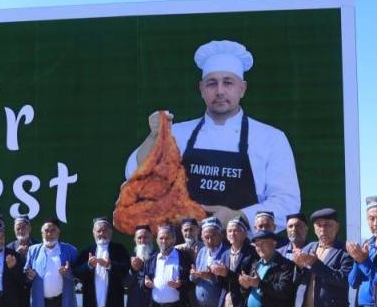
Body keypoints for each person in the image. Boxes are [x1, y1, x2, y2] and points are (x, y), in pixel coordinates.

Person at [124, 40, 300, 226]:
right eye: (212, 83)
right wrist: (154, 137)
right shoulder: (177, 133)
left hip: (245, 242)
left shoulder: (271, 138)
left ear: (242, 89)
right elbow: (135, 176)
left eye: (228, 83)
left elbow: (287, 203)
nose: (220, 91)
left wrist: (238, 216)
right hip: (182, 240)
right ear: (201, 89)